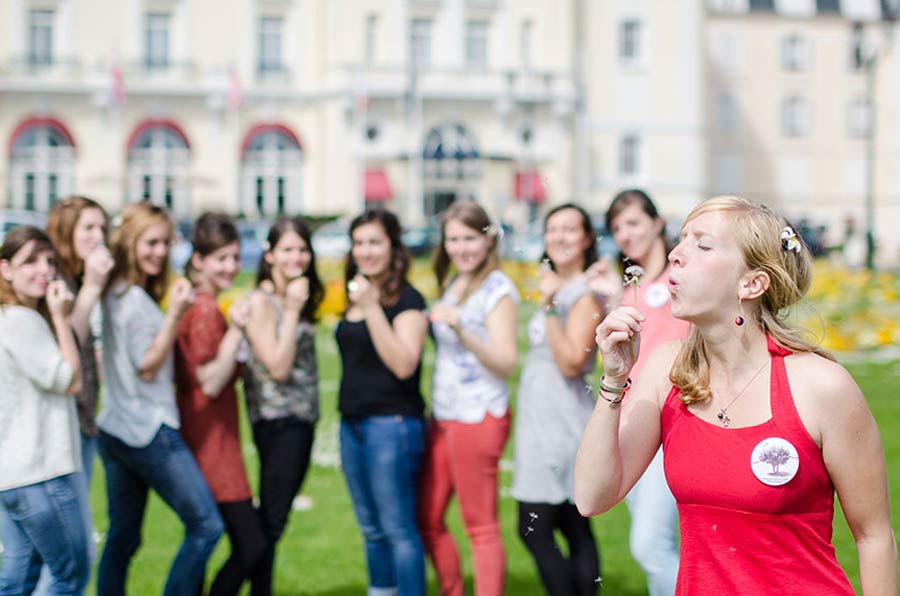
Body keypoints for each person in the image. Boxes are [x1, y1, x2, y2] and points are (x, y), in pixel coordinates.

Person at [575, 195, 899, 595]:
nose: (676, 254)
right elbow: (592, 496)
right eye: (681, 239)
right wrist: (613, 381)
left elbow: (873, 537)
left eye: (702, 245)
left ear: (752, 283)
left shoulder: (822, 387)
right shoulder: (666, 370)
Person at [96, 202, 224, 596]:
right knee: (206, 525)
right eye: (151, 242)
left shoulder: (119, 291)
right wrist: (175, 316)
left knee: (123, 538)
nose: (160, 251)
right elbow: (147, 367)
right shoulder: (130, 299)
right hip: (148, 428)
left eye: (166, 242)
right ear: (130, 241)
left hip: (115, 427)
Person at [583, 189, 688, 596]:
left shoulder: (678, 282)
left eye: (633, 223)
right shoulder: (625, 287)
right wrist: (610, 298)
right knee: (659, 542)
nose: (624, 234)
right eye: (616, 227)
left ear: (658, 224)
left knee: (650, 546)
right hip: (631, 425)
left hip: (671, 425)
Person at [420, 201, 518, 596]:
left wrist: (461, 329)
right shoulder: (456, 282)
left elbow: (506, 362)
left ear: (487, 238)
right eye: (453, 239)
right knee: (428, 516)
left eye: (468, 238)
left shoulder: (499, 289)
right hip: (444, 414)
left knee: (480, 525)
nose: (461, 247)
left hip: (478, 414)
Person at [336, 209, 429, 596]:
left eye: (375, 242)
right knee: (371, 529)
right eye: (359, 243)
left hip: (391, 426)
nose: (366, 251)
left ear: (393, 247)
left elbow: (404, 364)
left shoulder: (407, 299)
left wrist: (374, 308)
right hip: (352, 424)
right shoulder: (353, 296)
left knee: (398, 529)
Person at [511, 203, 603, 596]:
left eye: (570, 229)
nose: (559, 237)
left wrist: (548, 307)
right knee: (571, 522)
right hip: (544, 420)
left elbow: (571, 363)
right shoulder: (563, 288)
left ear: (585, 239)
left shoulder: (582, 296)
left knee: (533, 527)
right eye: (553, 229)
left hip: (560, 423)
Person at [174, 213, 267, 596]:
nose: (231, 266)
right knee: (252, 545)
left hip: (211, 436)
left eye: (234, 257)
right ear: (198, 260)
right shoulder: (205, 310)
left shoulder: (201, 305)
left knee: (204, 541)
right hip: (211, 441)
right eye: (221, 258)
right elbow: (209, 381)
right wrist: (239, 331)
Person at [0, 226, 88, 595]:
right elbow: (70, 380)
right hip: (41, 472)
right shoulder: (22, 321)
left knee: (19, 575)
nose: (43, 271)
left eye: (49, 261)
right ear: (5, 269)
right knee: (70, 572)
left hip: (12, 474)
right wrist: (62, 318)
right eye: (30, 262)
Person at [242, 216, 323, 596]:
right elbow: (276, 365)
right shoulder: (263, 301)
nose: (297, 257)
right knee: (267, 528)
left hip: (300, 420)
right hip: (279, 422)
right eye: (288, 249)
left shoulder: (299, 295)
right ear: (270, 254)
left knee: (271, 527)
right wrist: (290, 311)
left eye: (303, 249)